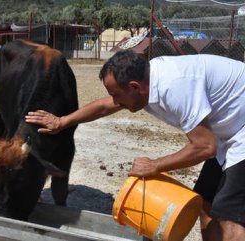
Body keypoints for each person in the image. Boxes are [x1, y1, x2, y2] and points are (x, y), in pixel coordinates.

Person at [25, 50, 245, 241]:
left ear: (134, 86)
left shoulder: (174, 88)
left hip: (240, 135)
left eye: (117, 95)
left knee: (229, 216)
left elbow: (205, 147)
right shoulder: (146, 82)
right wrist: (62, 122)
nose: (116, 102)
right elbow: (104, 107)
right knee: (206, 204)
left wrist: (155, 165)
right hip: (229, 135)